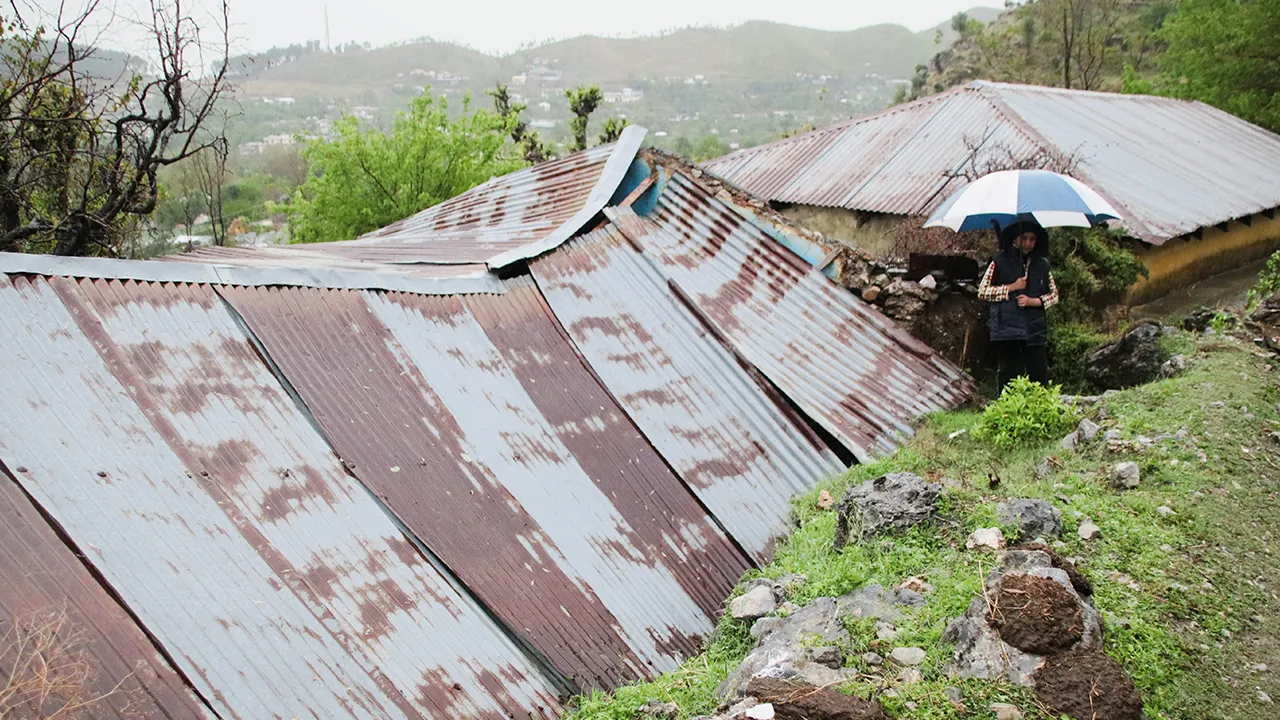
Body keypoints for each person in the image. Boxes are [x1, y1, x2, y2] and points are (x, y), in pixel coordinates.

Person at [977, 220, 1059, 392]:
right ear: (1016, 239)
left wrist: (1035, 302)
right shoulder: (998, 261)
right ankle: (1005, 413)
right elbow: (983, 291)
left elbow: (1054, 294)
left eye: (1032, 239)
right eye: (1024, 238)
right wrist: (1012, 287)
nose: (1028, 243)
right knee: (1008, 374)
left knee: (1038, 374)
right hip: (1007, 328)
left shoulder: (1042, 264)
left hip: (1034, 328)